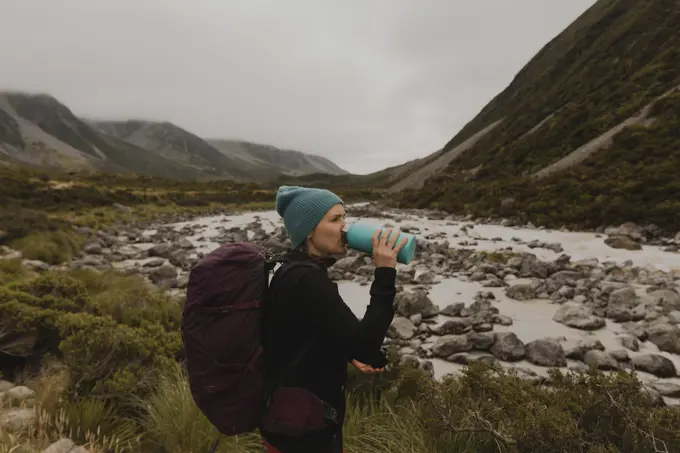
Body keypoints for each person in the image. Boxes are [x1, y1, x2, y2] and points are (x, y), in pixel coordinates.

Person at [260, 185, 407, 453]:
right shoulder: (309, 280)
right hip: (305, 430)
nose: (345, 228)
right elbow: (366, 346)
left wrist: (348, 354)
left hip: (285, 419)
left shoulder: (287, 268)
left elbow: (300, 332)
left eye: (344, 218)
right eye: (335, 219)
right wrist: (385, 273)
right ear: (308, 230)